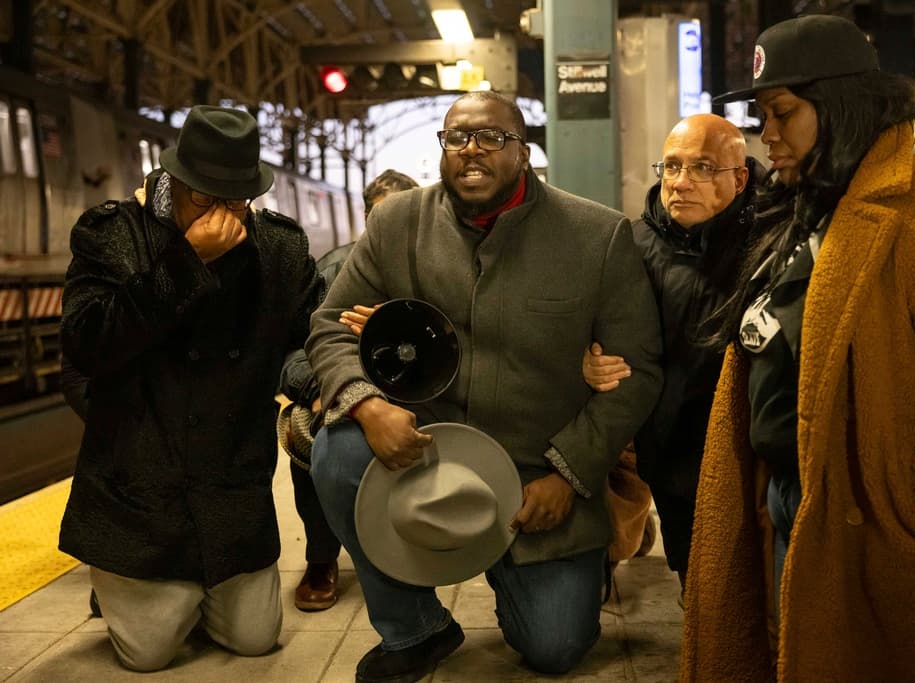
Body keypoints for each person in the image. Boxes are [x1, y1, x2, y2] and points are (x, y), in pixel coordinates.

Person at [680, 15, 915, 681]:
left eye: (782, 113)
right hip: (795, 502)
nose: (767, 133)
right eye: (762, 114)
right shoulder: (809, 210)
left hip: (875, 523)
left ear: (838, 107)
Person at [306, 91, 663, 682]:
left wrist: (570, 474)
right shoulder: (397, 223)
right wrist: (367, 405)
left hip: (536, 473)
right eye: (456, 137)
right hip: (424, 448)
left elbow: (638, 371)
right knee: (335, 452)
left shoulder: (597, 237)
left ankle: (578, 558)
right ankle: (416, 629)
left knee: (554, 647)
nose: (471, 151)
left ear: (523, 153)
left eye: (492, 138)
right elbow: (329, 325)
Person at [58, 105, 324, 672]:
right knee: (149, 655)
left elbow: (307, 336)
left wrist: (336, 360)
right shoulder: (112, 234)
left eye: (235, 201)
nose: (222, 215)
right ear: (173, 180)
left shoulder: (278, 247)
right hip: (141, 482)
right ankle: (124, 581)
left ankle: (184, 594)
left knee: (256, 640)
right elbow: (85, 345)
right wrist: (187, 262)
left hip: (230, 484)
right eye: (205, 198)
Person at [581, 113, 764, 605]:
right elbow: (591, 327)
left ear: (739, 177)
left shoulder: (770, 243)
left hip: (745, 439)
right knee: (699, 592)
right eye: (671, 167)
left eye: (701, 168)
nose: (680, 183)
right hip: (663, 440)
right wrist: (589, 360)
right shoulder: (631, 244)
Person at [277, 168, 418, 611]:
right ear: (365, 220)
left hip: (423, 396)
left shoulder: (438, 268)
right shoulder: (333, 271)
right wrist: (325, 391)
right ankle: (321, 558)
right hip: (346, 395)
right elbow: (292, 357)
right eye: (381, 219)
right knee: (307, 431)